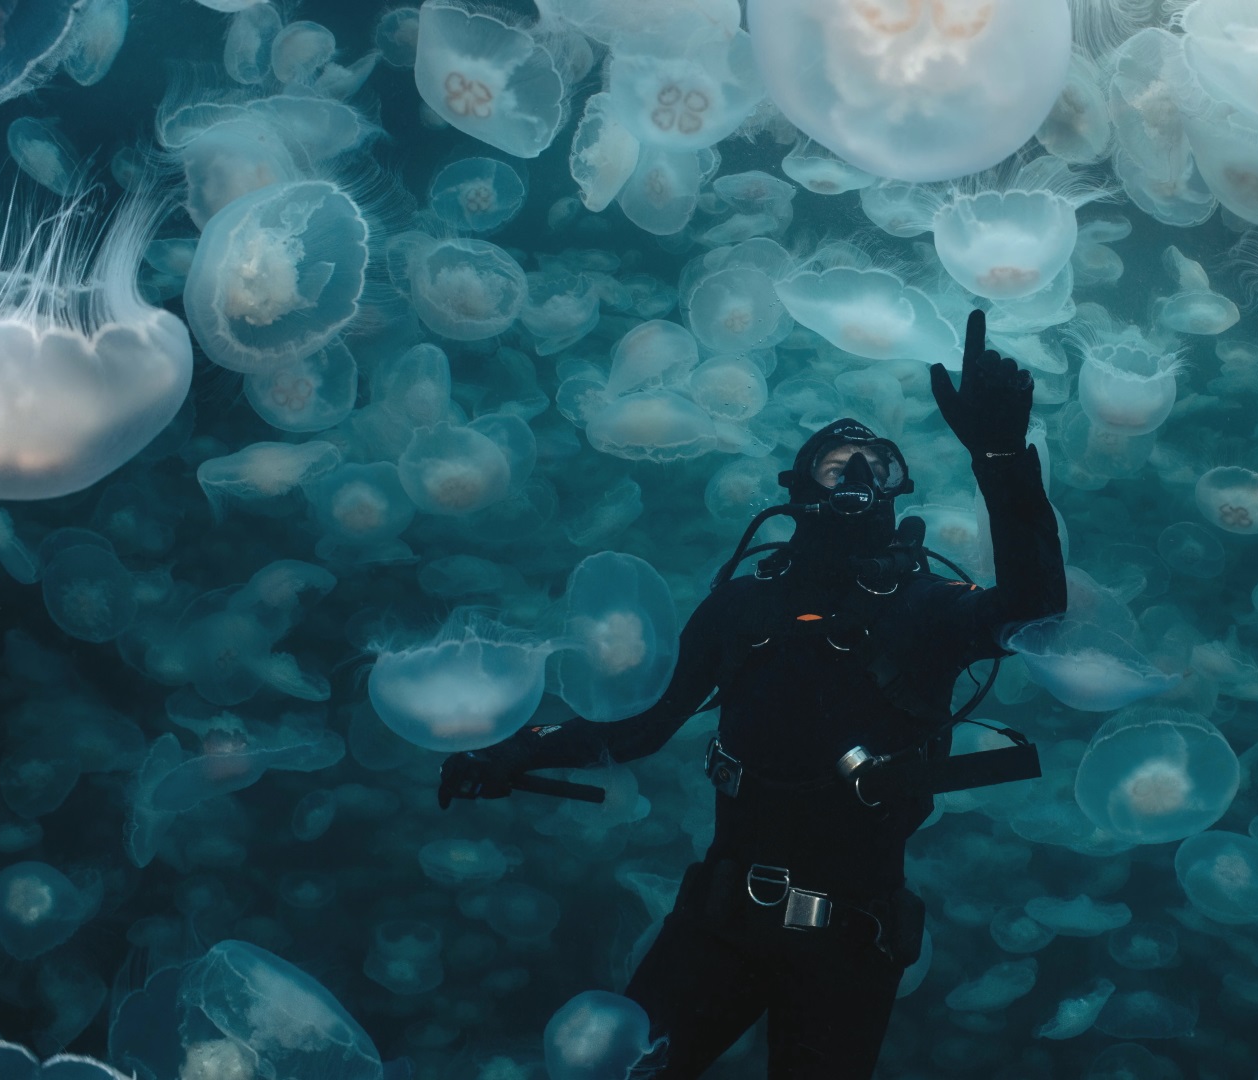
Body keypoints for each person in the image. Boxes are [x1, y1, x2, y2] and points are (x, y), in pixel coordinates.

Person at [439, 310, 1066, 1078]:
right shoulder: (742, 605)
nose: (860, 477)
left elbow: (1034, 611)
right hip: (716, 923)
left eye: (877, 464)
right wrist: (513, 752)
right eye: (839, 466)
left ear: (900, 488)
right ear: (798, 490)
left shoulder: (931, 609)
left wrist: (1000, 456)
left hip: (852, 938)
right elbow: (643, 724)